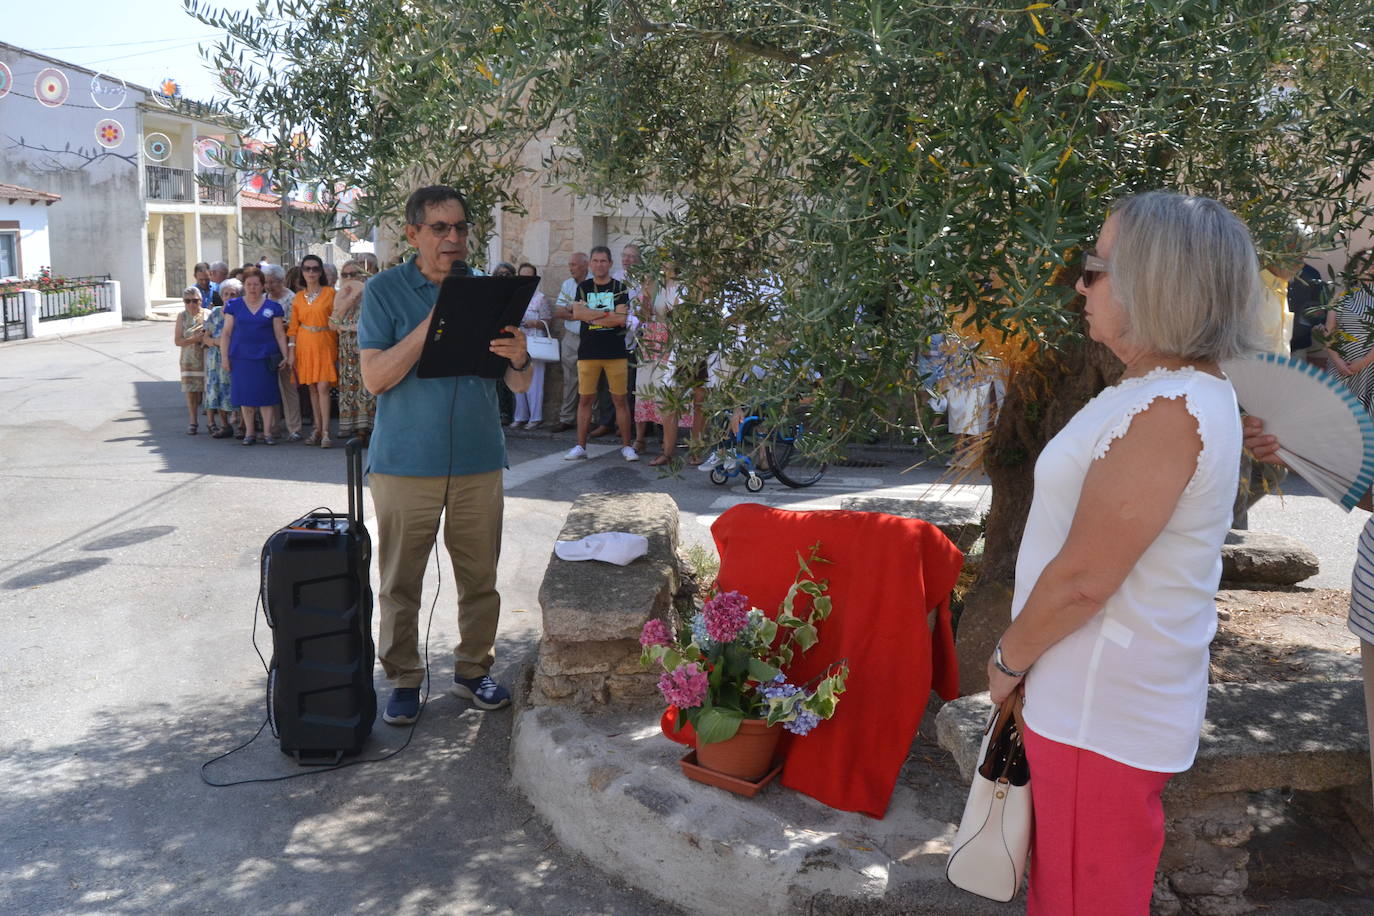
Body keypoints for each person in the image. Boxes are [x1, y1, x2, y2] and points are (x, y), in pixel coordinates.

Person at [985, 191, 1262, 914]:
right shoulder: (1160, 391)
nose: (1080, 283)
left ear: (1155, 285)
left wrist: (1008, 659)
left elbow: (1082, 580)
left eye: (1096, 268)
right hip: (1093, 704)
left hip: (1096, 713)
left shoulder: (1169, 409)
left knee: (1083, 901)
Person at [358, 185, 532, 724]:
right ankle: (405, 679)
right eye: (440, 229)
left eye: (460, 228)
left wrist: (521, 357)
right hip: (405, 462)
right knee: (400, 580)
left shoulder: (486, 290)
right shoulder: (383, 292)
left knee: (480, 577)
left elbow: (519, 386)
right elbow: (375, 379)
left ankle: (473, 671)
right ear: (412, 234)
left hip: (480, 458)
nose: (453, 239)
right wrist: (432, 323)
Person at [564, 246, 637, 461]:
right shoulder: (584, 287)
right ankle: (580, 446)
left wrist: (592, 315)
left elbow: (621, 319)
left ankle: (626, 446)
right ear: (590, 264)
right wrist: (607, 313)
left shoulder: (619, 288)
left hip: (615, 352)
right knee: (585, 400)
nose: (599, 265)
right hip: (588, 351)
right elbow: (577, 313)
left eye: (603, 261)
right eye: (595, 261)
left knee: (620, 401)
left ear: (610, 263)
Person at [221, 266, 290, 445]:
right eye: (249, 284)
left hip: (265, 357)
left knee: (266, 397)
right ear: (244, 285)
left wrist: (285, 355)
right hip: (241, 357)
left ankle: (267, 433)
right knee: (246, 397)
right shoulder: (233, 306)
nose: (252, 287)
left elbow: (279, 334)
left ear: (262, 286)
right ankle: (249, 432)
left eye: (256, 284)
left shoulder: (273, 307)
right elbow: (226, 333)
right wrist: (224, 357)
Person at [634, 262, 693, 465]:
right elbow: (642, 316)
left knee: (667, 396)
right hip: (651, 343)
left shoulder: (683, 286)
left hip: (673, 345)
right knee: (646, 390)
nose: (663, 264)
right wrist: (646, 294)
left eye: (667, 259)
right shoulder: (656, 285)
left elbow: (681, 318)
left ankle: (669, 451)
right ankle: (646, 442)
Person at [287, 253, 339, 448]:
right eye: (307, 268)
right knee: (311, 388)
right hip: (304, 343)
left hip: (325, 341)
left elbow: (337, 319)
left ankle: (326, 431)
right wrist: (291, 351)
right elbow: (293, 327)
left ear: (321, 272)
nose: (311, 272)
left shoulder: (330, 293)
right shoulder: (298, 297)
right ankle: (317, 428)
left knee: (324, 387)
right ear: (302, 272)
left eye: (315, 269)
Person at [330, 258, 377, 444]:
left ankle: (367, 429)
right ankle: (354, 428)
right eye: (345, 274)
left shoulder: (373, 292)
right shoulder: (340, 295)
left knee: (367, 388)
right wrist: (350, 300)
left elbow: (372, 323)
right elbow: (333, 324)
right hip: (347, 348)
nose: (349, 277)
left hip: (367, 345)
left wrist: (348, 327)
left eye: (353, 274)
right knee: (350, 387)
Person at [1322, 250, 1374, 413]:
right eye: (1363, 262)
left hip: (1369, 368)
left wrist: (1363, 362)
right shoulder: (1340, 296)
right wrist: (1337, 361)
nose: (1369, 266)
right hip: (1339, 367)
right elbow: (1328, 331)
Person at [263, 264, 304, 441]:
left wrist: (280, 325)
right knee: (270, 388)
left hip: (287, 346)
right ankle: (272, 427)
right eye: (266, 282)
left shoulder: (291, 299)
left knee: (289, 389)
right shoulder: (263, 298)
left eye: (272, 282)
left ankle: (294, 428)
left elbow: (296, 324)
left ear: (280, 281)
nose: (269, 286)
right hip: (268, 348)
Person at [551, 252, 589, 431]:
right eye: (570, 264)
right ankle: (567, 418)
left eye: (574, 264)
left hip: (590, 337)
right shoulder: (567, 284)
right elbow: (558, 312)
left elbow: (596, 313)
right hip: (571, 338)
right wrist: (579, 312)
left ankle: (592, 420)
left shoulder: (594, 283)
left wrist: (573, 310)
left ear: (584, 265)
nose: (570, 268)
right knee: (569, 379)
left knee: (592, 380)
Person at [511, 262, 552, 429]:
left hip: (534, 342)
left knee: (535, 382)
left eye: (529, 276)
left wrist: (535, 323)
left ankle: (535, 417)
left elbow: (548, 321)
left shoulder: (540, 298)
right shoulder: (514, 296)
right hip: (517, 342)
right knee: (517, 380)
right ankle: (520, 416)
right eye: (523, 275)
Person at [202, 277, 239, 438]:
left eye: (233, 294)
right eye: (226, 294)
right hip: (214, 359)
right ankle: (224, 425)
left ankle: (240, 426)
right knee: (217, 390)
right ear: (221, 295)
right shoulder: (215, 313)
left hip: (234, 357)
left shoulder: (241, 313)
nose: (229, 297)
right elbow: (205, 338)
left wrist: (220, 343)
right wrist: (216, 342)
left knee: (233, 389)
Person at [174, 285, 207, 435]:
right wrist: (195, 339)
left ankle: (212, 422)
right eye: (187, 301)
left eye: (195, 300)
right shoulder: (182, 316)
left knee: (209, 390)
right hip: (188, 359)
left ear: (201, 300)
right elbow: (178, 341)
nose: (191, 304)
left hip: (206, 357)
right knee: (191, 391)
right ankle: (193, 421)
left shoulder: (208, 314)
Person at [1289, 260, 1329, 365]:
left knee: (1295, 379)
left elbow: (1318, 303)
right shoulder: (1271, 270)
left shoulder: (1311, 273)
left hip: (1298, 342)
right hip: (1270, 341)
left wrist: (1318, 322)